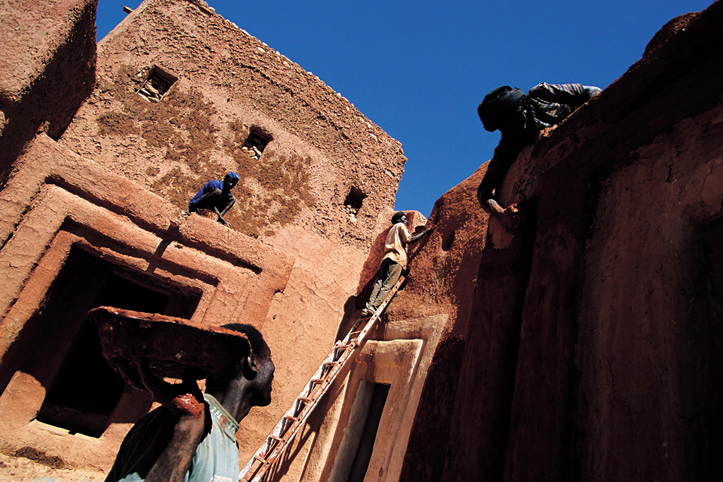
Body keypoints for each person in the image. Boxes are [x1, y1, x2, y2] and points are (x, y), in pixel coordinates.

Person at [105, 323, 275, 482]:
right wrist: (188, 427)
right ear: (252, 362)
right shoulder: (175, 420)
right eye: (269, 358)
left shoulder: (226, 437)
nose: (273, 368)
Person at [476, 82, 601, 215]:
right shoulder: (509, 145)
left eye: (511, 122)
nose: (509, 130)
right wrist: (501, 213)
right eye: (503, 128)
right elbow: (484, 192)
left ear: (521, 109)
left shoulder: (541, 94)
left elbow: (593, 92)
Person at [361, 212, 432, 316]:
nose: (406, 220)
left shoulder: (391, 230)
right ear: (399, 220)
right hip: (397, 258)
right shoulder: (401, 226)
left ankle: (367, 307)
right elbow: (408, 239)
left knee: (379, 283)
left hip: (386, 258)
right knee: (388, 284)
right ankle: (374, 306)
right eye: (404, 218)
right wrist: (424, 233)